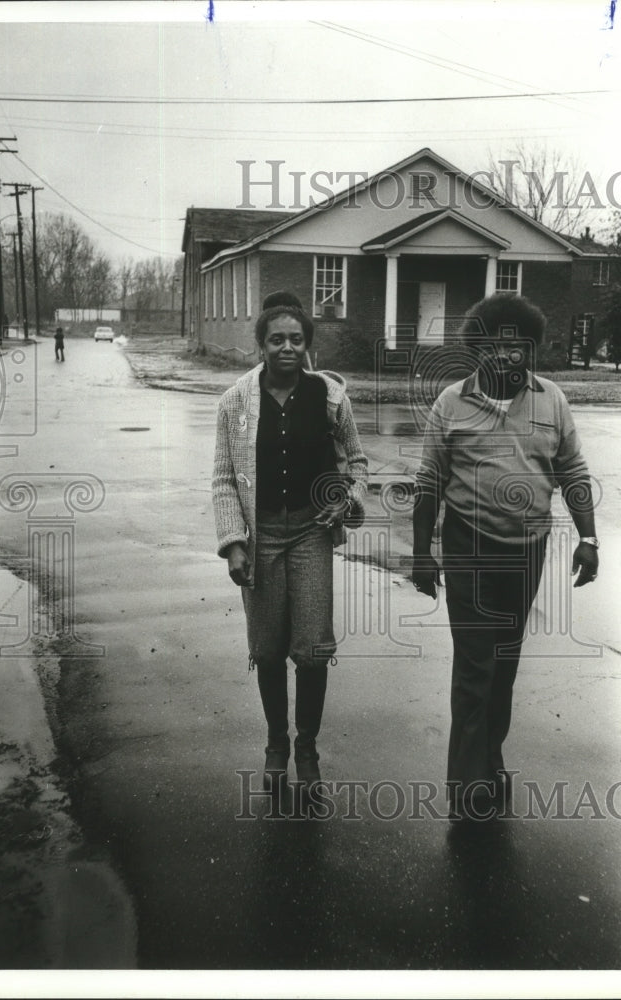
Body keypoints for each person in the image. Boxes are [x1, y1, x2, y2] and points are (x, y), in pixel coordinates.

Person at [412, 294, 599, 821]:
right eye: (497, 345)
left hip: (527, 551)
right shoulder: (450, 403)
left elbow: (574, 474)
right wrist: (421, 552)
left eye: (520, 347)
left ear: (531, 352)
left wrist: (590, 538)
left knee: (505, 663)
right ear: (479, 349)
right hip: (468, 545)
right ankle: (468, 782)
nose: (508, 356)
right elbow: (428, 482)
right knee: (475, 663)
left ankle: (490, 755)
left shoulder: (553, 402)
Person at [212, 291, 368, 794]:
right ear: (260, 345)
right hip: (261, 539)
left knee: (314, 649)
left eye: (295, 340)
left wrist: (345, 500)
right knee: (268, 647)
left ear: (307, 347)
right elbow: (222, 479)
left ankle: (307, 746)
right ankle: (276, 743)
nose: (286, 347)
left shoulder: (330, 397)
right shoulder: (235, 401)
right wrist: (233, 541)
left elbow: (359, 464)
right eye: (276, 339)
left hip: (309, 534)